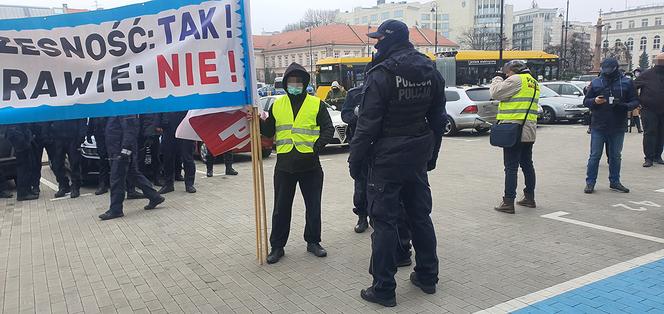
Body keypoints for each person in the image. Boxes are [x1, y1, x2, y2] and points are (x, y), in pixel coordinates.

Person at [348, 19, 445, 307]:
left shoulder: (381, 74)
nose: (376, 44)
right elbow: (438, 119)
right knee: (419, 216)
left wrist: (356, 160)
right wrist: (432, 154)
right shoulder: (430, 69)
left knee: (385, 223)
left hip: (387, 159)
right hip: (417, 154)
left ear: (389, 40)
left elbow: (367, 125)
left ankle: (383, 288)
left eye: (379, 39)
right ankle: (428, 276)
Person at [254, 62, 334, 264]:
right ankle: (277, 247)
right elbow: (269, 131)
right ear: (286, 83)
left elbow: (328, 129)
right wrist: (255, 120)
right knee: (281, 208)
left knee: (313, 206)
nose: (295, 84)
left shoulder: (316, 104)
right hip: (284, 166)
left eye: (299, 81)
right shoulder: (277, 104)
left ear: (305, 83)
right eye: (291, 81)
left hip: (310, 166)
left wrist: (316, 147)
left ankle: (313, 241)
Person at [489, 60, 540, 214]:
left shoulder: (516, 79)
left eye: (507, 72)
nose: (506, 75)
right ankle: (529, 198)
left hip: (514, 129)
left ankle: (508, 202)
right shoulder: (534, 82)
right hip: (528, 130)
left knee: (511, 167)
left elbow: (495, 93)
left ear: (513, 70)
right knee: (527, 164)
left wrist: (497, 78)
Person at [583, 58, 639, 194]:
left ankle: (615, 181)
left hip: (618, 125)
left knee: (615, 156)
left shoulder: (626, 82)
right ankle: (590, 182)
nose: (607, 73)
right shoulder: (596, 82)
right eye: (604, 70)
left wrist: (624, 106)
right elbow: (586, 101)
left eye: (609, 70)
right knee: (595, 155)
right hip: (599, 125)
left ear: (615, 69)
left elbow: (635, 101)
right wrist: (595, 101)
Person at [99, 115, 165, 221]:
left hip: (121, 151)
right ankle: (155, 197)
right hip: (117, 149)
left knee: (116, 179)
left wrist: (125, 150)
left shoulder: (124, 107)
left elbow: (130, 130)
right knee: (133, 175)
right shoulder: (116, 107)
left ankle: (116, 210)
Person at [341, 86, 369, 232]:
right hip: (358, 144)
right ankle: (362, 217)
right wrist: (360, 116)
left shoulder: (383, 89)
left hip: (379, 147)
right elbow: (345, 115)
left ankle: (378, 217)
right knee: (360, 184)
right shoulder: (354, 93)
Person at [634, 53, 664, 167]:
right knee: (650, 133)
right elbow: (633, 87)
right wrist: (637, 102)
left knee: (661, 133)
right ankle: (649, 158)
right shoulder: (647, 74)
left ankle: (657, 156)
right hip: (649, 109)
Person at [159, 111, 197, 194]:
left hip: (186, 127)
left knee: (187, 157)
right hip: (168, 128)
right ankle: (168, 184)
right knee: (167, 157)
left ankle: (189, 184)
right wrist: (159, 124)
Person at [48, 119, 87, 198]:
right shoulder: (55, 106)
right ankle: (63, 186)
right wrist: (48, 134)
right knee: (57, 164)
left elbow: (82, 118)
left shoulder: (74, 106)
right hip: (57, 137)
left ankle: (75, 187)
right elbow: (48, 118)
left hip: (73, 137)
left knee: (74, 164)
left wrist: (81, 135)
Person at [6, 123, 39, 201]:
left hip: (24, 143)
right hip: (21, 146)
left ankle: (27, 190)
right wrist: (25, 142)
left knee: (28, 169)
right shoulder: (13, 121)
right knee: (23, 171)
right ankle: (23, 194)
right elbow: (13, 133)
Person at [87, 118, 110, 195]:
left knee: (116, 160)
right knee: (103, 161)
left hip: (113, 133)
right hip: (100, 134)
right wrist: (89, 133)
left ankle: (126, 186)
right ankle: (103, 185)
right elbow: (93, 117)